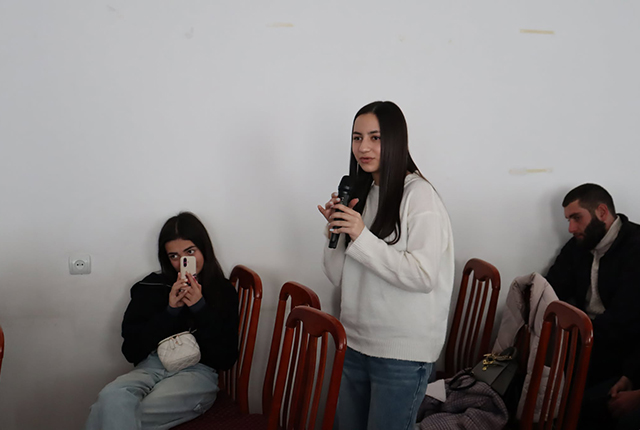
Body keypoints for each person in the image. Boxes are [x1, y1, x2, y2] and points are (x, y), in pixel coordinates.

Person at [318, 101, 455, 430]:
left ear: (395, 140)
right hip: (355, 342)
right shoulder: (364, 193)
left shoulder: (419, 196)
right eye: (357, 137)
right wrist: (336, 232)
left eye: (375, 137)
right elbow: (338, 276)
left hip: (401, 354)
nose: (363, 147)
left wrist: (360, 235)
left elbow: (423, 276)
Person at [85, 212, 239, 430]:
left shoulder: (223, 291)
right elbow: (131, 351)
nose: (182, 262)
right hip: (152, 365)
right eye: (174, 256)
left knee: (113, 413)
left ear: (204, 249)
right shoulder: (150, 287)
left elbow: (226, 357)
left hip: (198, 372)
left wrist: (200, 308)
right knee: (111, 398)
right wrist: (170, 311)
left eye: (190, 252)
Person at [545, 184, 640, 388]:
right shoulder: (579, 245)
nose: (571, 228)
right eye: (568, 220)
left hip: (620, 350)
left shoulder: (635, 247)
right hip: (585, 338)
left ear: (602, 212)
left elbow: (623, 320)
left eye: (577, 218)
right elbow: (551, 288)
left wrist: (573, 338)